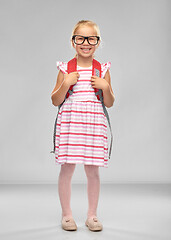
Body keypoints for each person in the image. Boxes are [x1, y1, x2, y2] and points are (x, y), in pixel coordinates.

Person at [51, 20, 115, 231]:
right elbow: (55, 100)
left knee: (93, 171)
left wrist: (105, 87)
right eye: (80, 38)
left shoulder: (101, 69)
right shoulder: (65, 69)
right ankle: (67, 215)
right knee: (67, 169)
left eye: (91, 39)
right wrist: (66, 83)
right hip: (71, 124)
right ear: (73, 42)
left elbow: (109, 102)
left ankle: (92, 215)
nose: (85, 43)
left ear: (97, 42)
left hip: (94, 124)